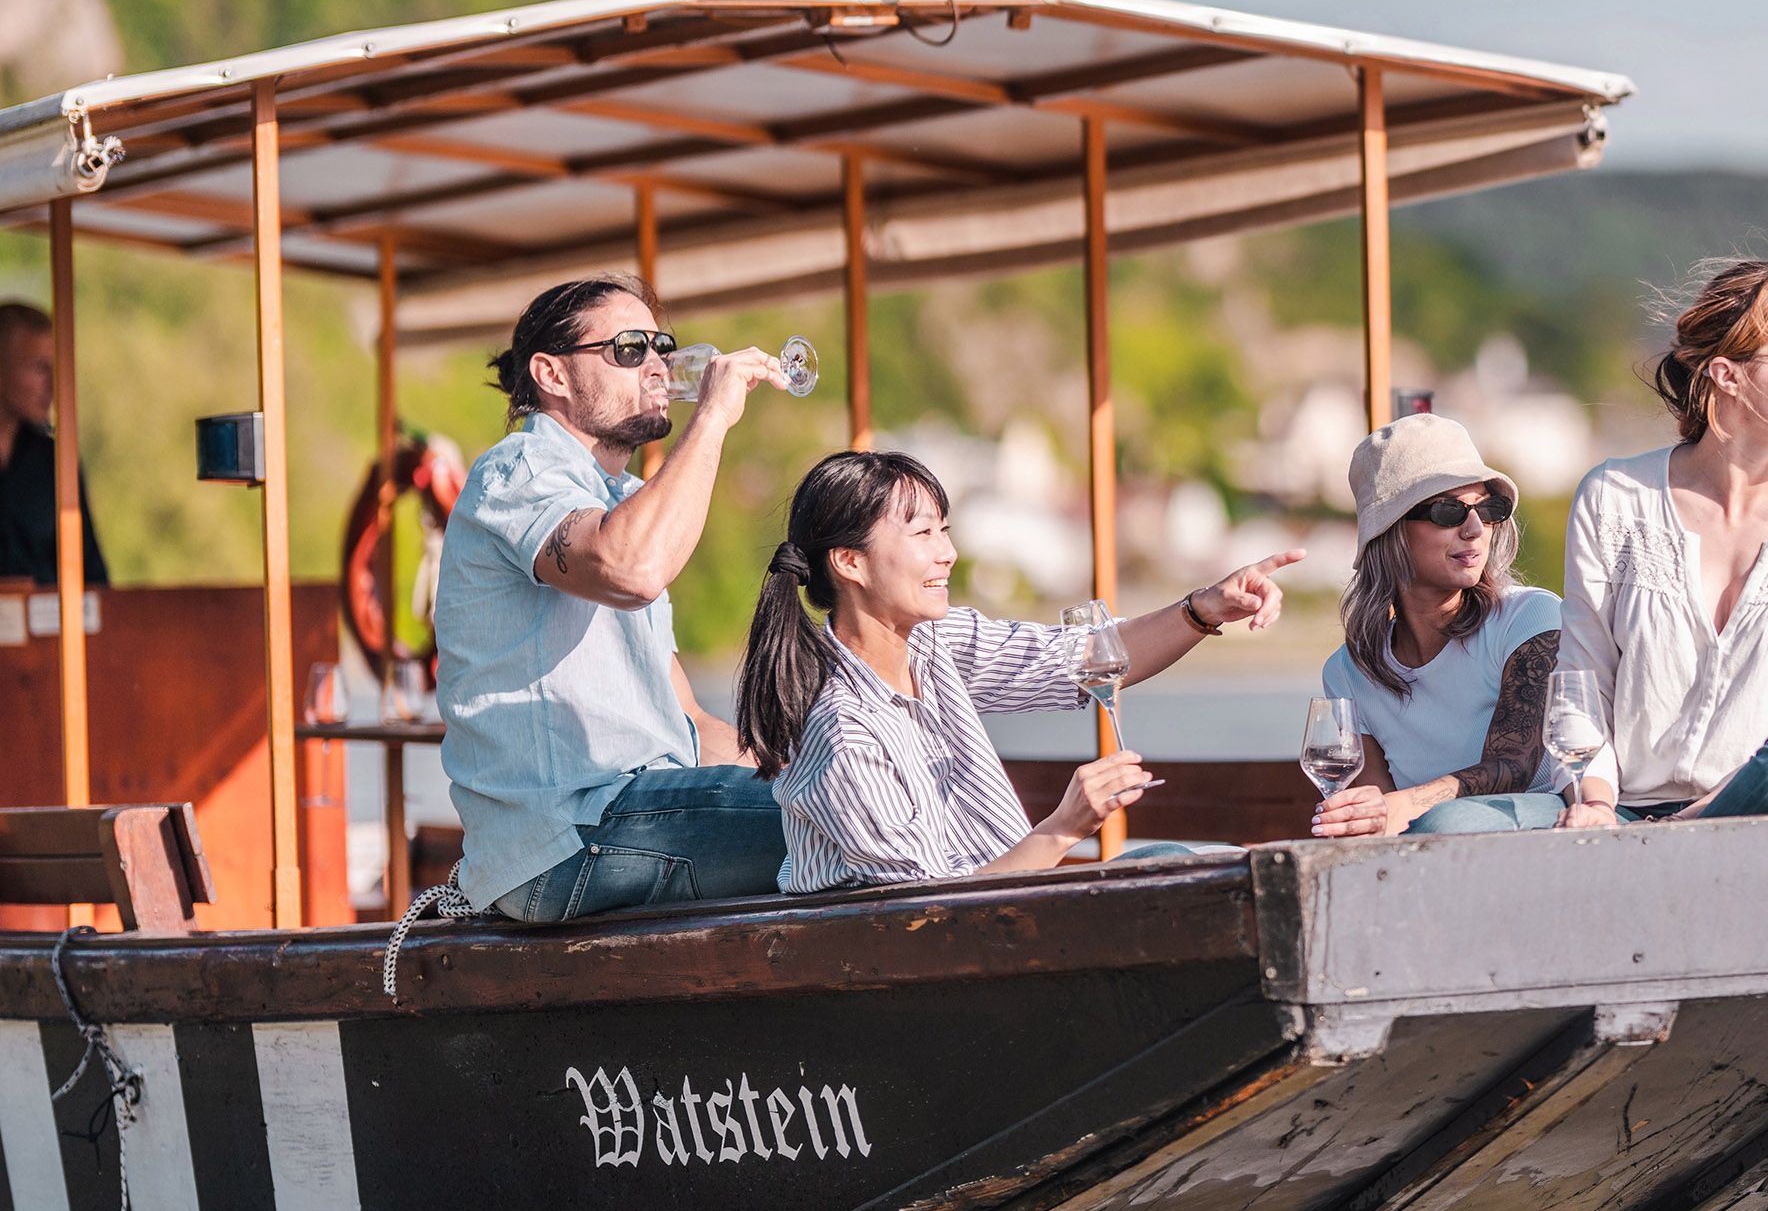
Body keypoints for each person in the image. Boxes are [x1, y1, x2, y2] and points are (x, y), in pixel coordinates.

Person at [739, 449, 1300, 892]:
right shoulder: (842, 730)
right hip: (942, 967)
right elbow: (931, 915)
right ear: (850, 561)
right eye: (923, 534)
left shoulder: (935, 644)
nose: (948, 553)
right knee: (1179, 878)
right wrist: (1064, 826)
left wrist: (1205, 608)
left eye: (944, 530)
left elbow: (1085, 656)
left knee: (1181, 865)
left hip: (1006, 922)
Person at [434, 277, 792, 921]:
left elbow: (686, 721)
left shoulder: (622, 501)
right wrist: (712, 416)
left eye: (662, 346)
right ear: (552, 374)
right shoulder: (518, 470)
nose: (657, 365)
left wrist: (806, 767)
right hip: (565, 837)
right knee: (843, 823)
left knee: (844, 800)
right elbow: (632, 569)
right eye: (629, 349)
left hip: (631, 816)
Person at [1559, 253, 1768, 826]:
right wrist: (1594, 805)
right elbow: (1583, 687)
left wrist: (1679, 830)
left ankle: (1668, 847)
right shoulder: (1612, 497)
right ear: (1728, 375)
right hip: (1625, 810)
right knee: (1453, 826)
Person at [1310, 415, 1564, 838]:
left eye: (1489, 509)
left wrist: (1408, 805)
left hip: (1543, 838)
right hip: (1432, 853)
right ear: (1390, 530)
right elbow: (1378, 817)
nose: (1475, 529)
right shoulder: (1347, 672)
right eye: (1449, 511)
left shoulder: (1532, 617)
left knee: (1445, 821)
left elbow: (1514, 766)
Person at [0, 302, 107, 587]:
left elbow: (92, 573)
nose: (53, 385)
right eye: (39, 368)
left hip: (51, 614)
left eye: (55, 368)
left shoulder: (55, 459)